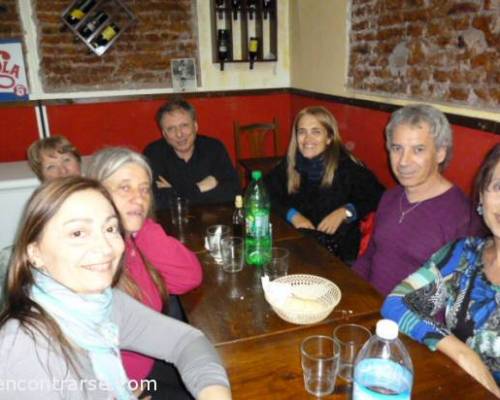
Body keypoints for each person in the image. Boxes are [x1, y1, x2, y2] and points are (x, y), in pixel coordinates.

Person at [0, 176, 231, 400]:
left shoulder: (101, 303)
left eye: (110, 229)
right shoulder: (25, 349)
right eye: (78, 233)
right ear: (35, 253)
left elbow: (185, 341)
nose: (105, 247)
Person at [381, 144, 500, 397]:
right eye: (498, 187)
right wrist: (463, 353)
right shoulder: (462, 254)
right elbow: (397, 303)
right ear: (481, 196)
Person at [86, 147, 203, 398]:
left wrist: (140, 227)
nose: (138, 198)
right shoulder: (88, 259)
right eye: (125, 187)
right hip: (124, 384)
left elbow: (188, 276)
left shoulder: (130, 240)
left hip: (150, 361)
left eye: (144, 188)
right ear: (97, 193)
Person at [353, 104, 482, 295]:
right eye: (397, 148)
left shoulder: (461, 217)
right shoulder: (390, 197)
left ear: (440, 153)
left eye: (418, 149)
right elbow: (370, 255)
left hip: (411, 323)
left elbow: (455, 297)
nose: (404, 161)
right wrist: (349, 287)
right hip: (367, 305)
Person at [264, 106, 384, 262]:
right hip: (296, 245)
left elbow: (380, 196)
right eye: (302, 132)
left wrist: (346, 211)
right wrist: (292, 215)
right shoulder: (291, 164)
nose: (307, 139)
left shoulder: (346, 168)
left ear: (329, 138)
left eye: (316, 132)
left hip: (336, 254)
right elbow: (261, 192)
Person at [143, 99, 240, 209]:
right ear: (164, 133)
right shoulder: (153, 153)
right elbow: (156, 202)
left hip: (212, 220)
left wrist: (175, 192)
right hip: (172, 222)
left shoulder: (214, 148)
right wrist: (200, 187)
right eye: (171, 129)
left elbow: (233, 193)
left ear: (195, 126)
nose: (179, 134)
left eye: (184, 126)